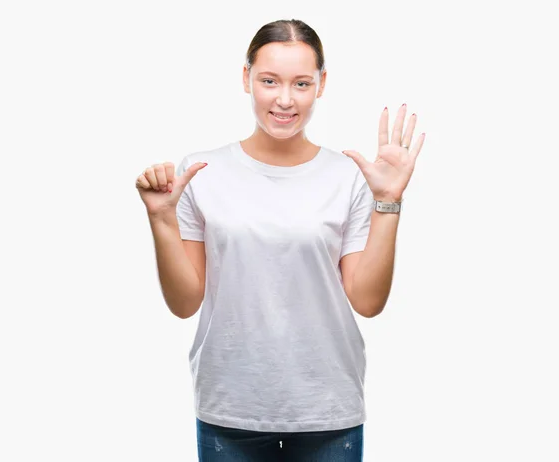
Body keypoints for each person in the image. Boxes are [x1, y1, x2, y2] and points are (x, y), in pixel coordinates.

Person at [135, 18, 425, 462]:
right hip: (230, 406)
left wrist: (388, 200)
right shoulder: (201, 172)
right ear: (246, 77)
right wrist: (161, 220)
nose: (285, 99)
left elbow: (367, 301)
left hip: (327, 408)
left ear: (321, 84)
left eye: (301, 83)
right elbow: (184, 302)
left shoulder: (347, 176)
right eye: (269, 81)